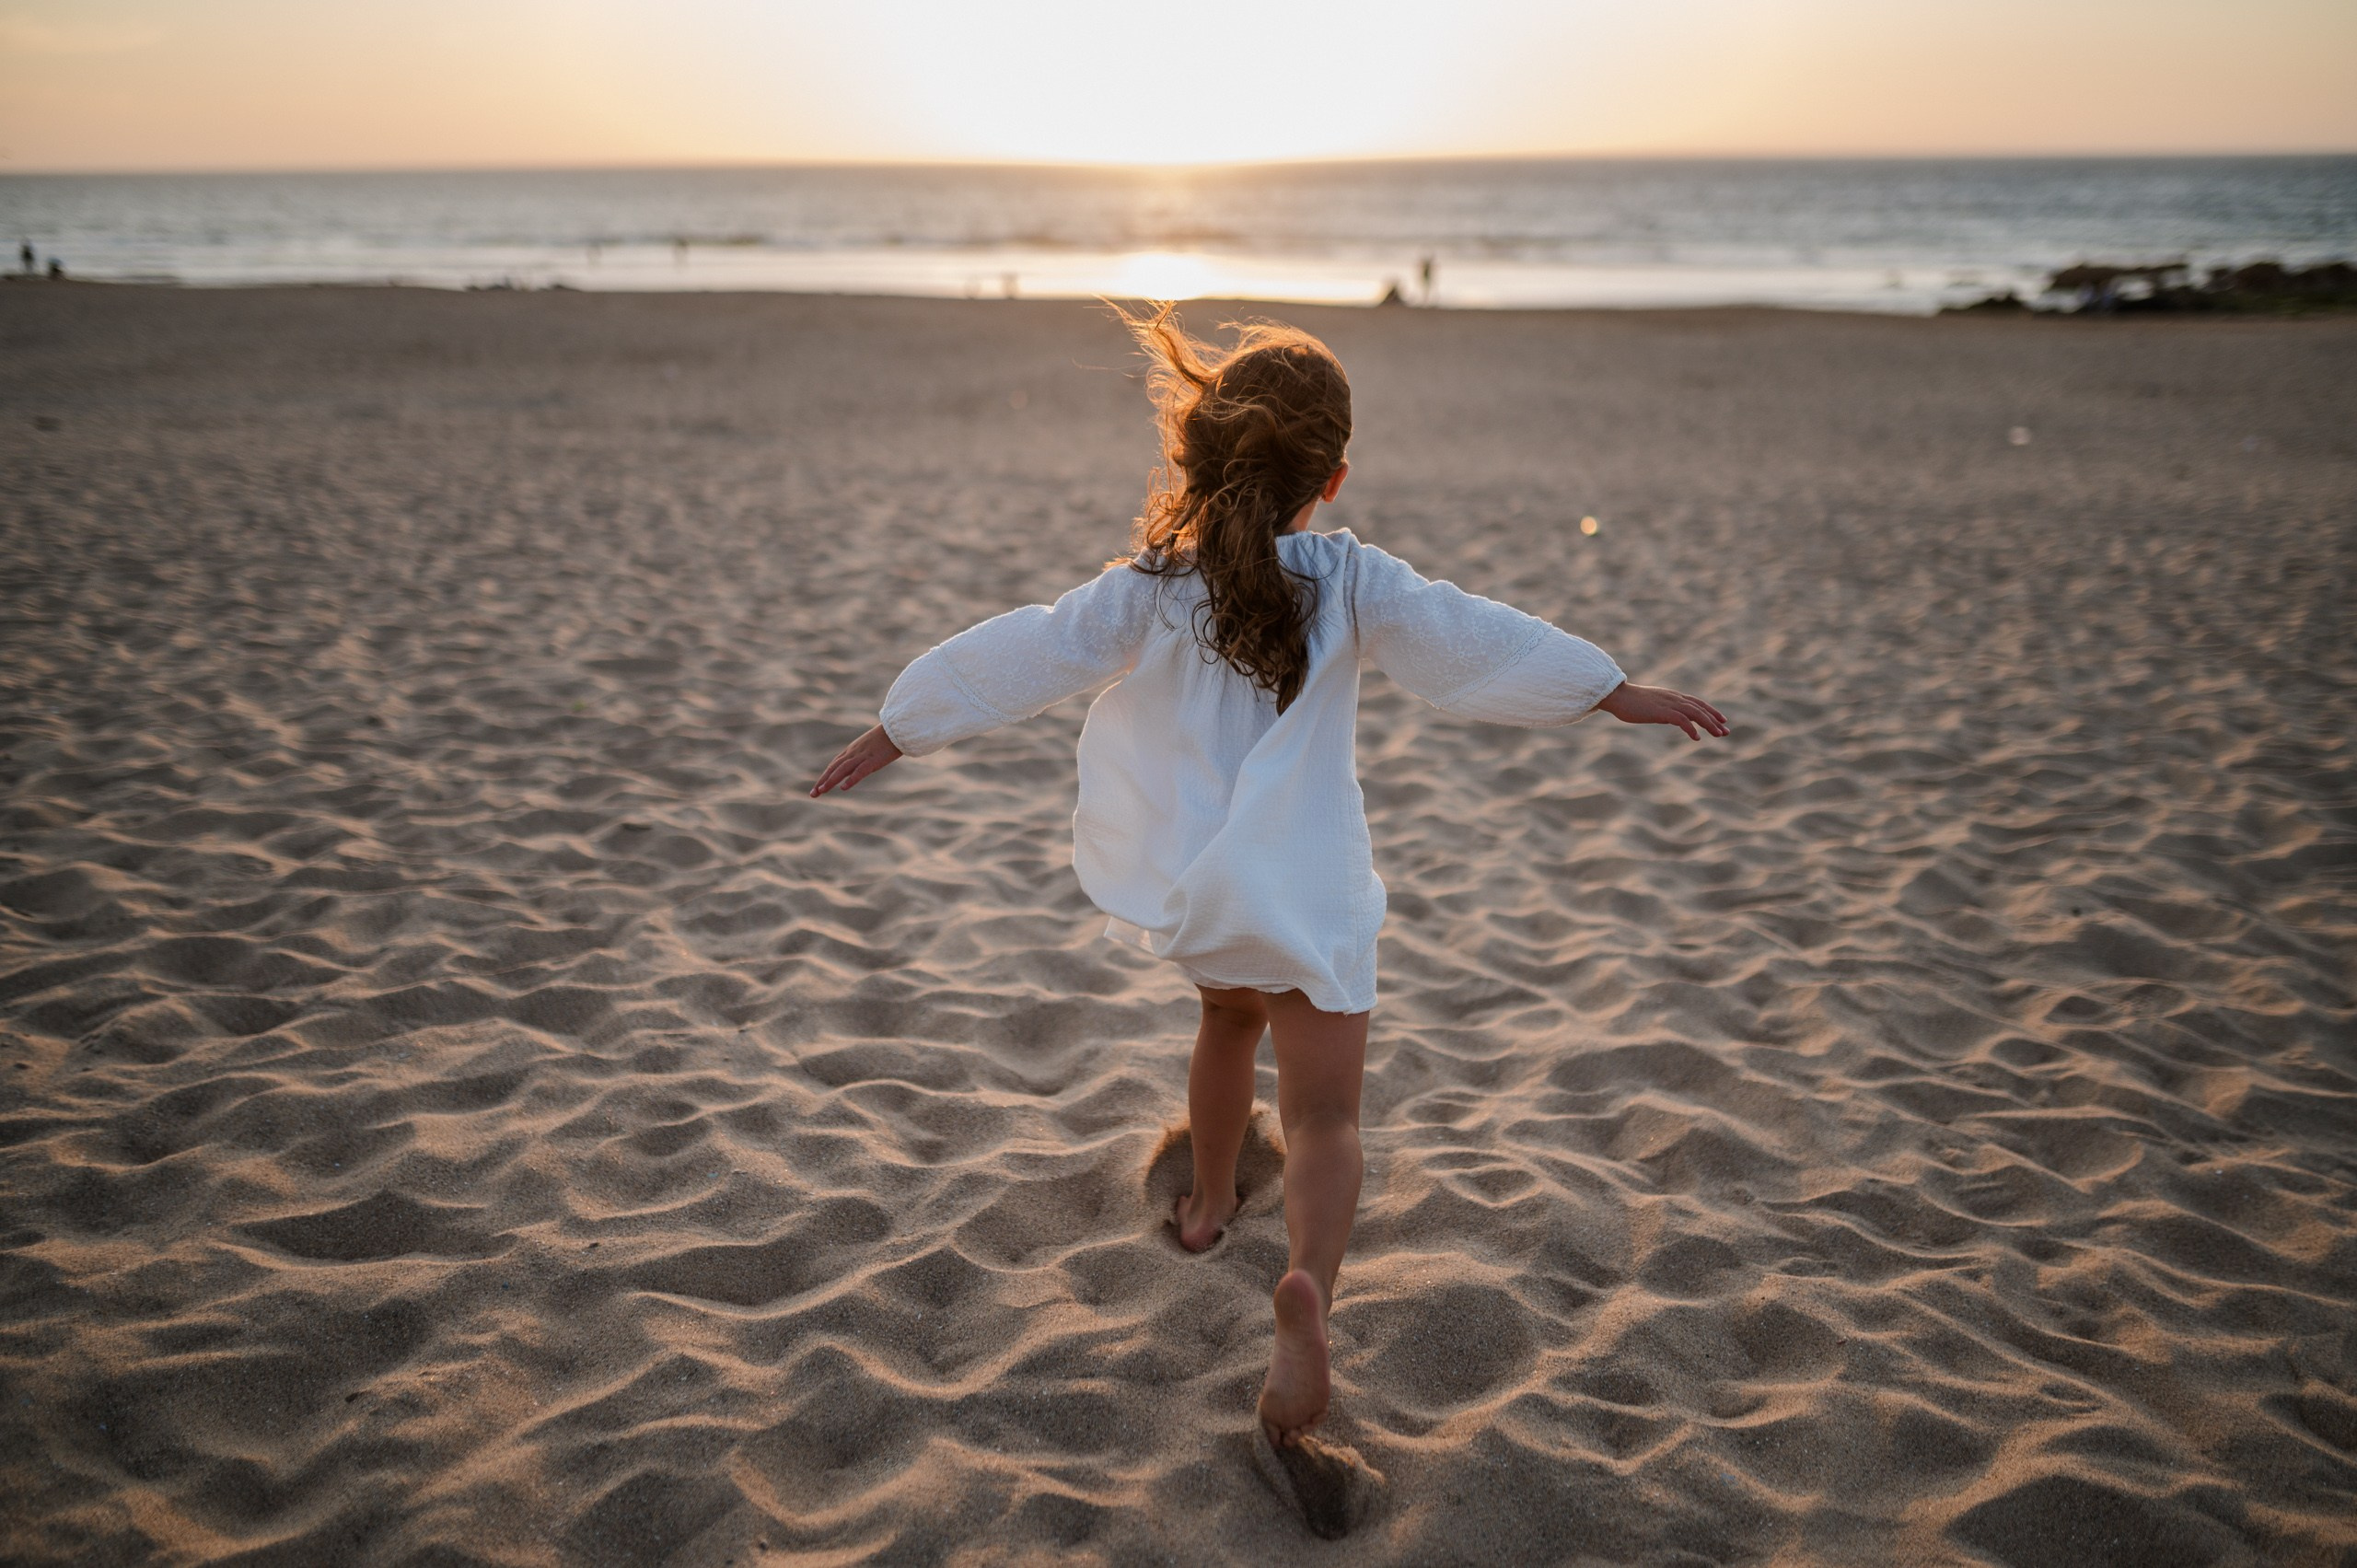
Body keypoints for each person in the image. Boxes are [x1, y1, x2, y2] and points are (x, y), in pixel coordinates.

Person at [812, 306, 1729, 1446]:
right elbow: (1474, 641)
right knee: (1328, 1113)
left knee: (1222, 1035)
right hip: (1308, 895)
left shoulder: (1155, 583)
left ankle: (1202, 1209)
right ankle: (1306, 1285)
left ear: (1196, 455)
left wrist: (901, 724)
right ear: (1333, 477)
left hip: (1206, 891)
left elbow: (1031, 647)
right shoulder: (1350, 580)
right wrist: (1610, 688)